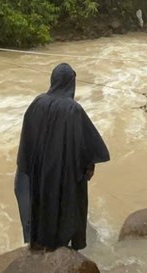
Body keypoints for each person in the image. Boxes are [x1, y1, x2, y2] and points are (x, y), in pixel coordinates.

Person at [14, 63, 110, 250]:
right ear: (70, 84)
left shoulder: (36, 103)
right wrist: (88, 167)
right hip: (61, 172)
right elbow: (89, 146)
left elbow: (27, 139)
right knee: (63, 205)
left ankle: (39, 242)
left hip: (39, 169)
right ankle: (60, 246)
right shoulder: (73, 109)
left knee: (40, 202)